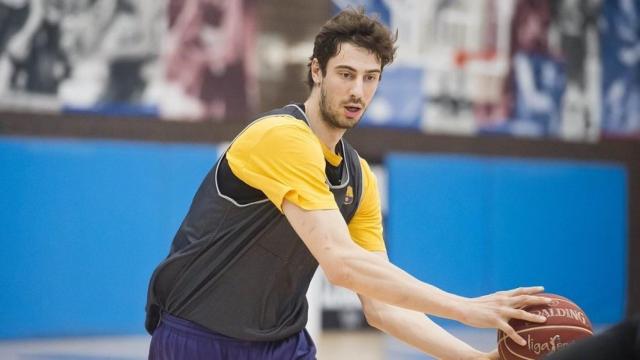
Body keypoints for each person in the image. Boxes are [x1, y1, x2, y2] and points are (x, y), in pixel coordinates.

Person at [145, 8, 551, 360]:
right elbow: (341, 263)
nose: (358, 91)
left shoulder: (358, 178)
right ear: (316, 71)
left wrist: (472, 356)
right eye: (346, 74)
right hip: (198, 338)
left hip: (281, 344)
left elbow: (381, 307)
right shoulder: (282, 137)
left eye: (371, 77)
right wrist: (466, 309)